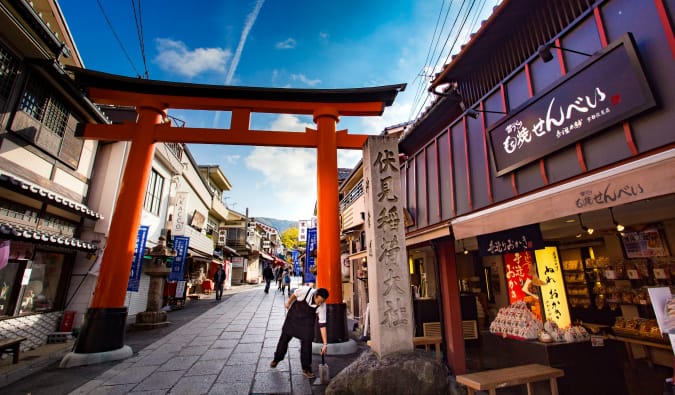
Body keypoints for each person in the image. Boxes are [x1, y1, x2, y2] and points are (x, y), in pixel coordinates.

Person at [270, 286, 329, 379]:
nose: (320, 303)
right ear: (315, 295)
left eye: (323, 301)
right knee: (284, 339)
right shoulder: (305, 291)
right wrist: (288, 303)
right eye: (319, 300)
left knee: (307, 343)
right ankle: (277, 359)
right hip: (293, 318)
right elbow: (294, 294)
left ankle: (306, 369)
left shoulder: (322, 306)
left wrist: (325, 343)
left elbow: (322, 324)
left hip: (307, 323)